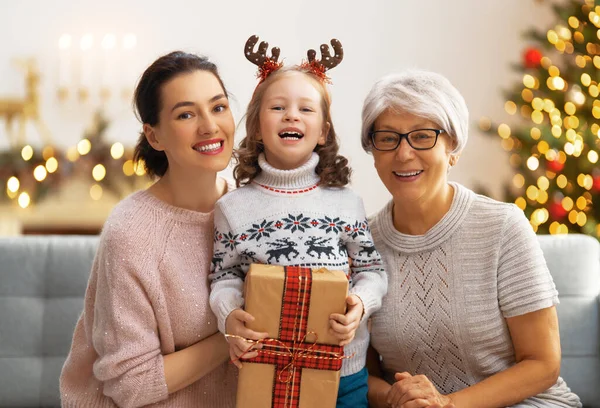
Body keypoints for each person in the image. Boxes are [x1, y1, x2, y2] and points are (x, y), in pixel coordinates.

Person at [362, 69, 582, 408]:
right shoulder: (360, 241)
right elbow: (360, 373)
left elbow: (542, 365)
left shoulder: (502, 226)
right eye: (388, 138)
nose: (404, 154)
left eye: (422, 137)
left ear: (453, 148)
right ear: (373, 153)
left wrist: (449, 404)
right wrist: (399, 397)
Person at [208, 36, 387, 408]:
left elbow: (373, 271)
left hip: (343, 375)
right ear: (257, 126)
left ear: (322, 132)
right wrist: (228, 317)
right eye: (278, 107)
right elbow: (223, 277)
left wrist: (359, 303)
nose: (291, 115)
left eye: (306, 109)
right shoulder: (232, 208)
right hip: (265, 372)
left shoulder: (347, 203)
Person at [60, 51, 238, 407]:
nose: (209, 126)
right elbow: (132, 385)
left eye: (218, 107)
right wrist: (230, 337)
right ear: (154, 136)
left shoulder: (252, 211)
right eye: (186, 114)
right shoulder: (132, 233)